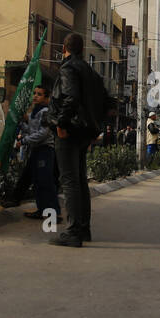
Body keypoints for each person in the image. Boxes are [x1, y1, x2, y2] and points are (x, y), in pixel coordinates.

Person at [50, 32, 105, 247]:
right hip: (84, 131)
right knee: (80, 180)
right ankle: (84, 229)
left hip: (69, 131)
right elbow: (107, 101)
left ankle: (73, 232)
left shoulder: (68, 68)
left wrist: (61, 124)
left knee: (70, 181)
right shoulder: (90, 71)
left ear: (64, 48)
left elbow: (70, 97)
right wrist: (94, 128)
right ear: (82, 50)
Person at [20, 85, 60, 223]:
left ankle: (54, 213)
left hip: (45, 150)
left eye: (40, 94)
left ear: (46, 98)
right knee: (37, 181)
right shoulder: (33, 113)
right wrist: (20, 123)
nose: (35, 96)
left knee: (46, 181)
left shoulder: (45, 112)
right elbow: (31, 131)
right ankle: (41, 209)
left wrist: (25, 140)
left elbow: (43, 134)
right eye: (35, 93)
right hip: (36, 150)